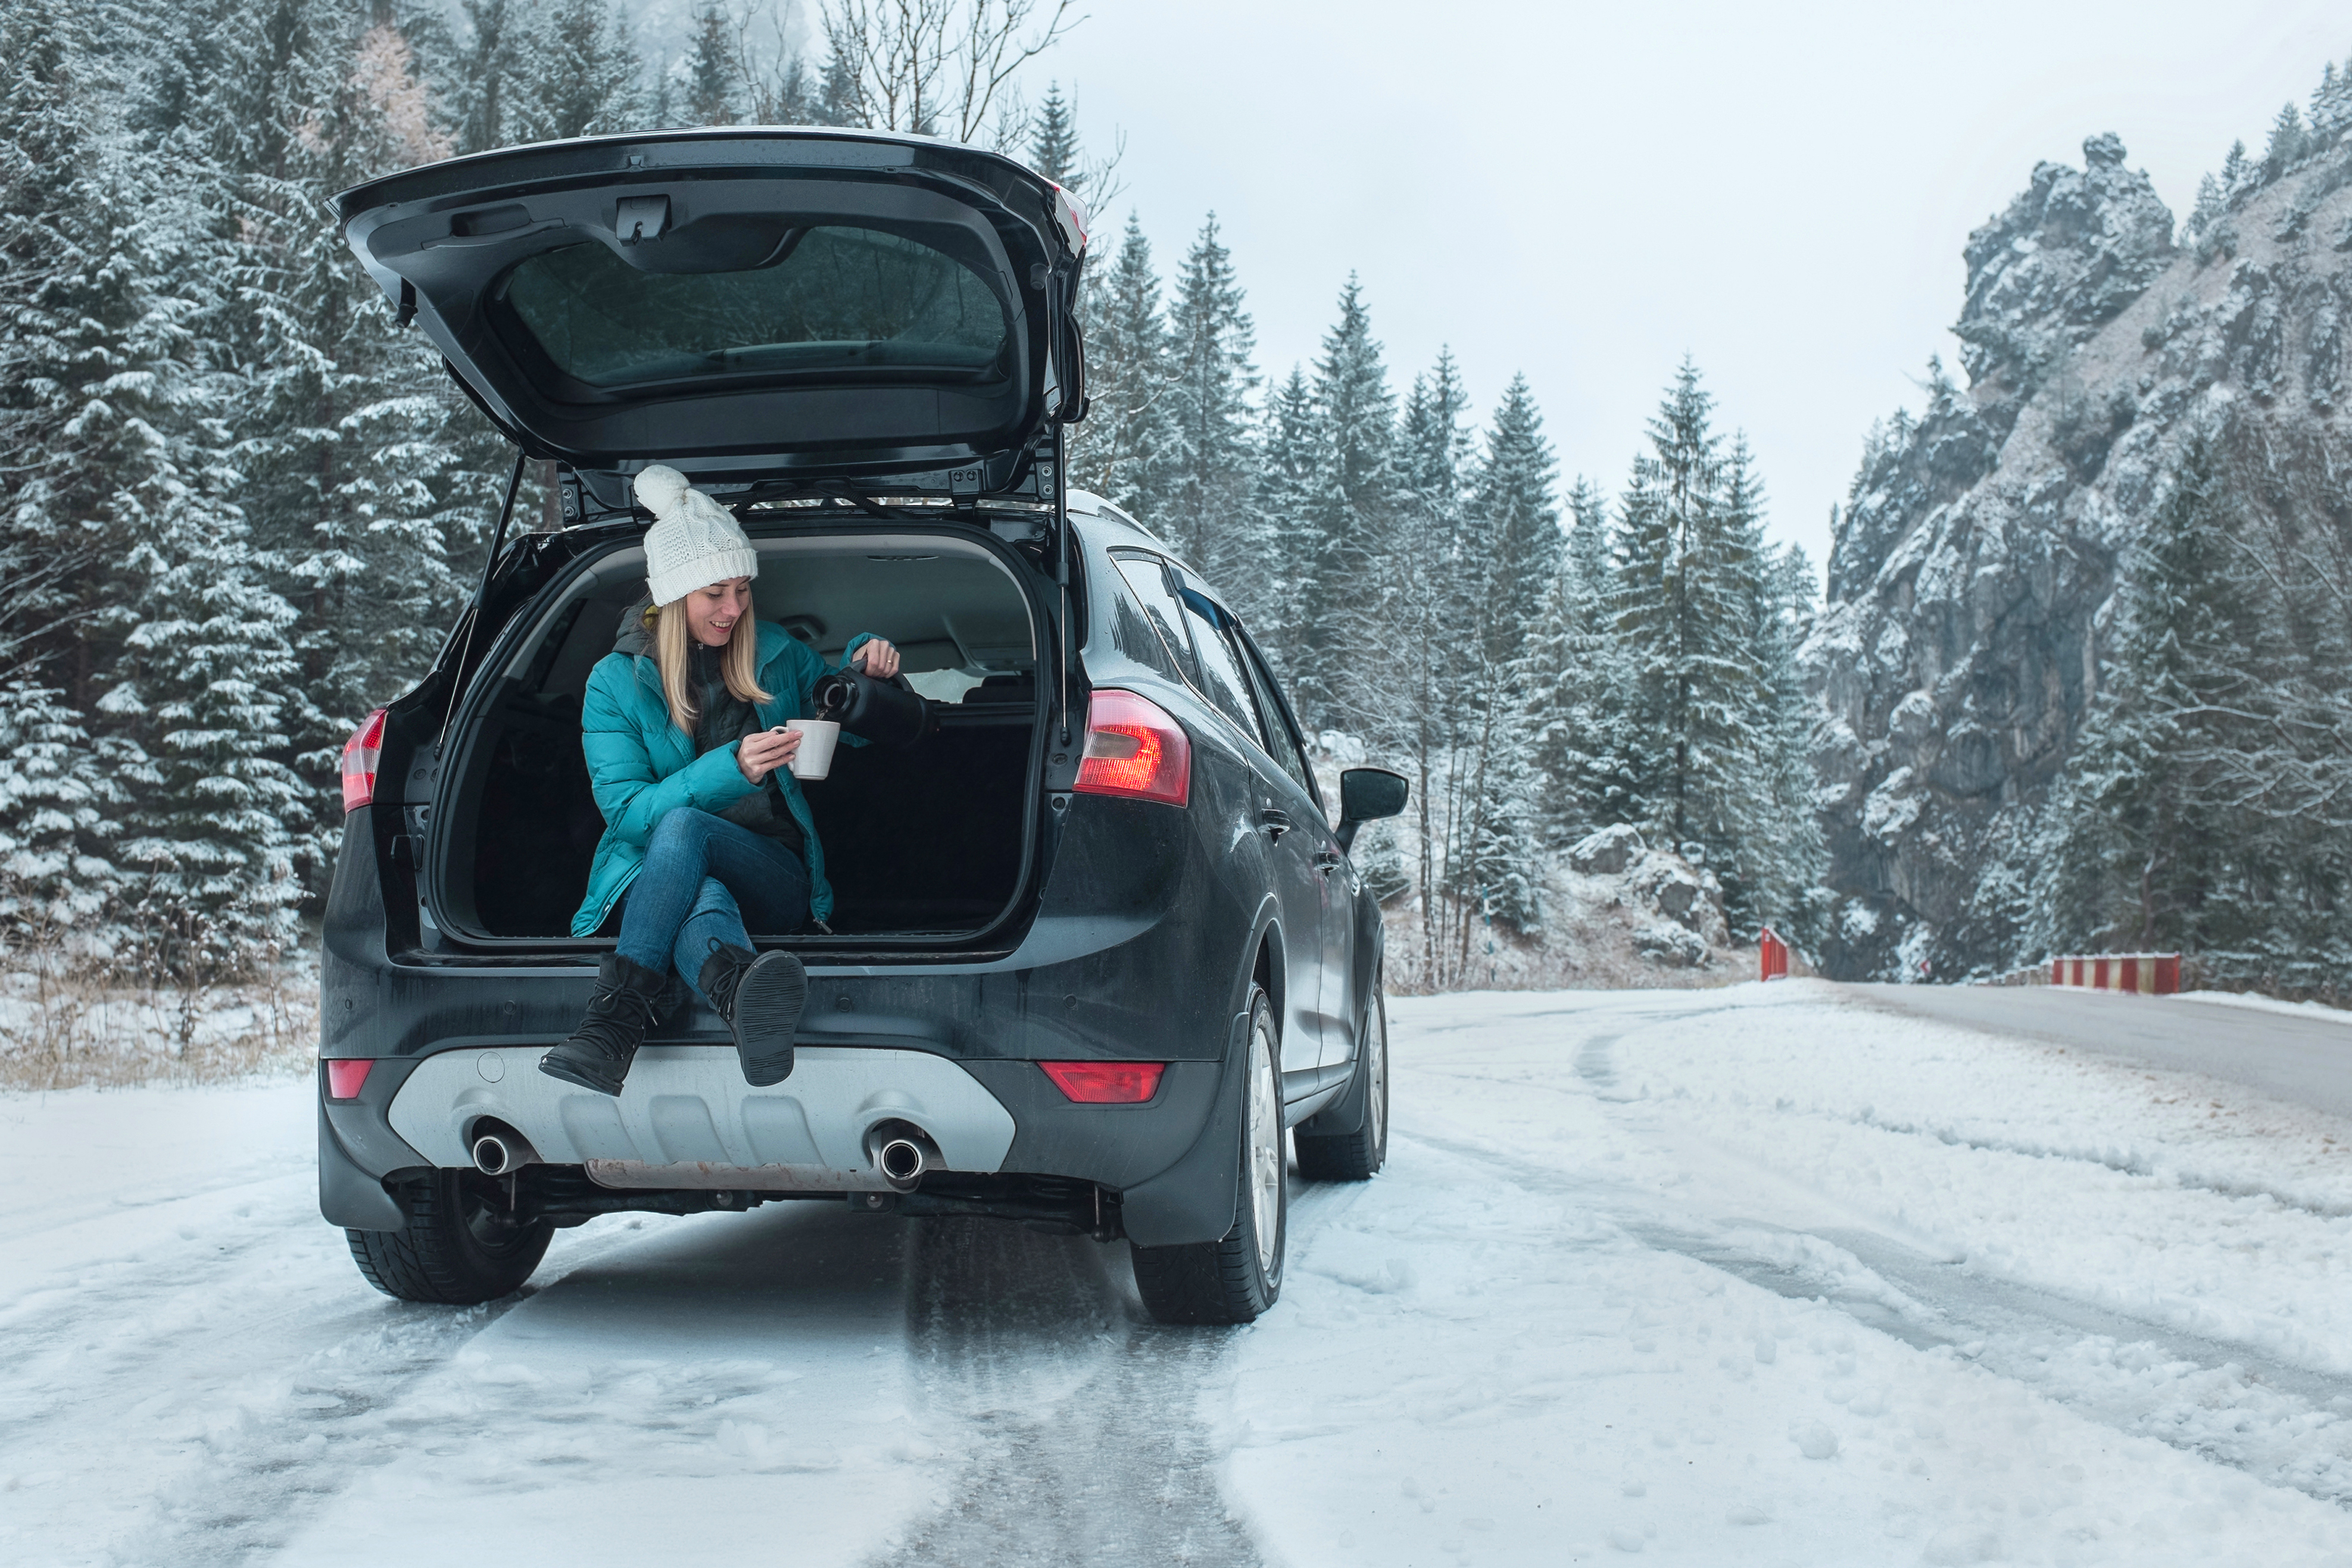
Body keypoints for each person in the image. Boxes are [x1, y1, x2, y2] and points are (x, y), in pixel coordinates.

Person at [539, 465, 901, 1096]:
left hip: (773, 873)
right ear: (673, 596)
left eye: (740, 590)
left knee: (688, 836)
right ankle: (740, 994)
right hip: (651, 874)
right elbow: (627, 817)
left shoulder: (774, 654)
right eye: (714, 593)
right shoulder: (613, 683)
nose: (732, 608)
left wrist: (868, 665)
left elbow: (849, 715)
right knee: (691, 872)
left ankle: (611, 1026)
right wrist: (729, 769)